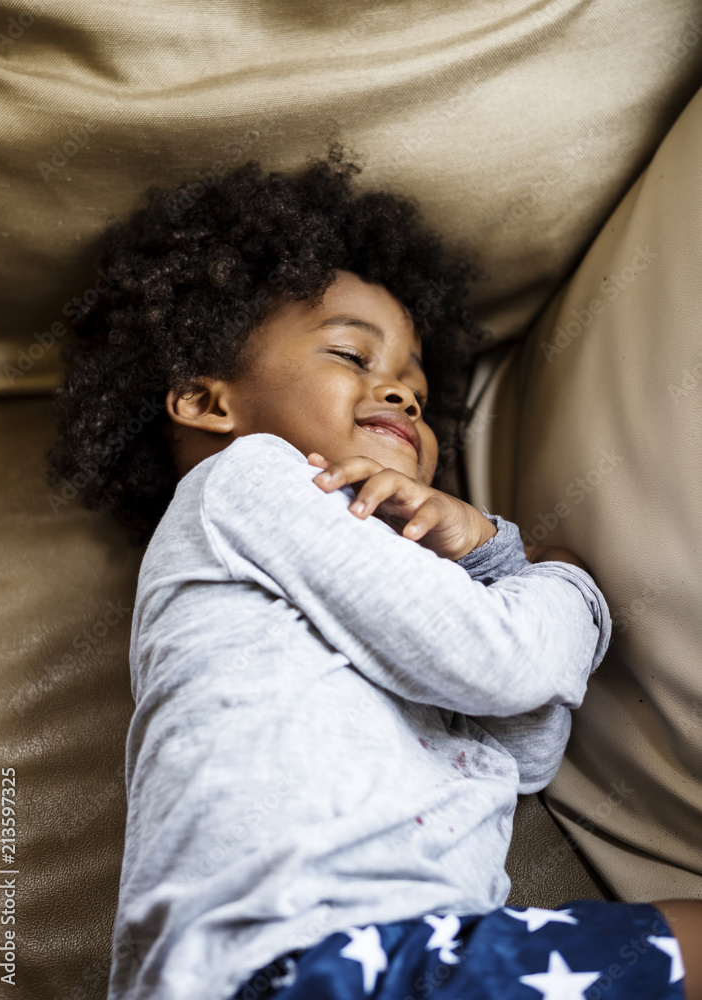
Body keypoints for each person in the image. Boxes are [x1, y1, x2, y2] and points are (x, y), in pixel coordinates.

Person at [45, 144, 702, 1000]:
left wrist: (483, 564)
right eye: (353, 358)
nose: (398, 395)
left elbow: (521, 751)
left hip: (400, 954)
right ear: (210, 402)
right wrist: (557, 579)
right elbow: (515, 665)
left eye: (417, 395)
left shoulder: (387, 568)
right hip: (305, 956)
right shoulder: (248, 483)